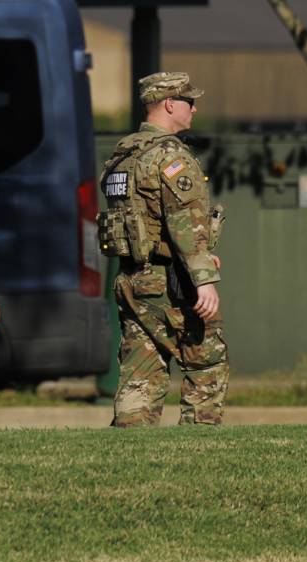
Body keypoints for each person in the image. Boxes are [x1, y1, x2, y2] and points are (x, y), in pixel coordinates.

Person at [100, 71, 228, 426]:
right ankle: (200, 452)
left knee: (140, 371)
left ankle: (128, 453)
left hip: (132, 279)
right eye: (189, 101)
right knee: (207, 363)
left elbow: (143, 219)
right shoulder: (170, 157)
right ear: (170, 104)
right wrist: (204, 278)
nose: (195, 108)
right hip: (170, 282)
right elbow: (183, 221)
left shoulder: (123, 154)